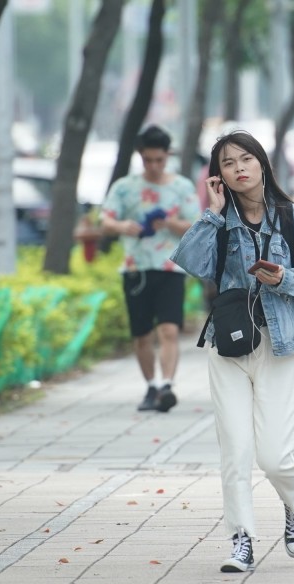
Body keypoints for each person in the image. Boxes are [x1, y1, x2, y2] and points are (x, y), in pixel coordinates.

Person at [171, 131, 294, 573]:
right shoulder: (220, 221)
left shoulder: (292, 218)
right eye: (227, 162)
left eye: (246, 158)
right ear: (218, 175)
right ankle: (241, 538)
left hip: (281, 344)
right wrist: (213, 215)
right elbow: (190, 262)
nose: (239, 167)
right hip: (229, 343)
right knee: (235, 449)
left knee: (274, 456)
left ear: (262, 163)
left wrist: (283, 279)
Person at [101, 125, 200, 413]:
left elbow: (196, 225)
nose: (154, 166)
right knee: (142, 333)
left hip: (170, 268)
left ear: (167, 155)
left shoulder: (181, 187)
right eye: (148, 160)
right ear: (140, 157)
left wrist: (169, 224)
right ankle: (151, 386)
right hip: (136, 269)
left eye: (159, 160)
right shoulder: (124, 187)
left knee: (169, 329)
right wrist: (124, 227)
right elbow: (105, 221)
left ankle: (167, 384)